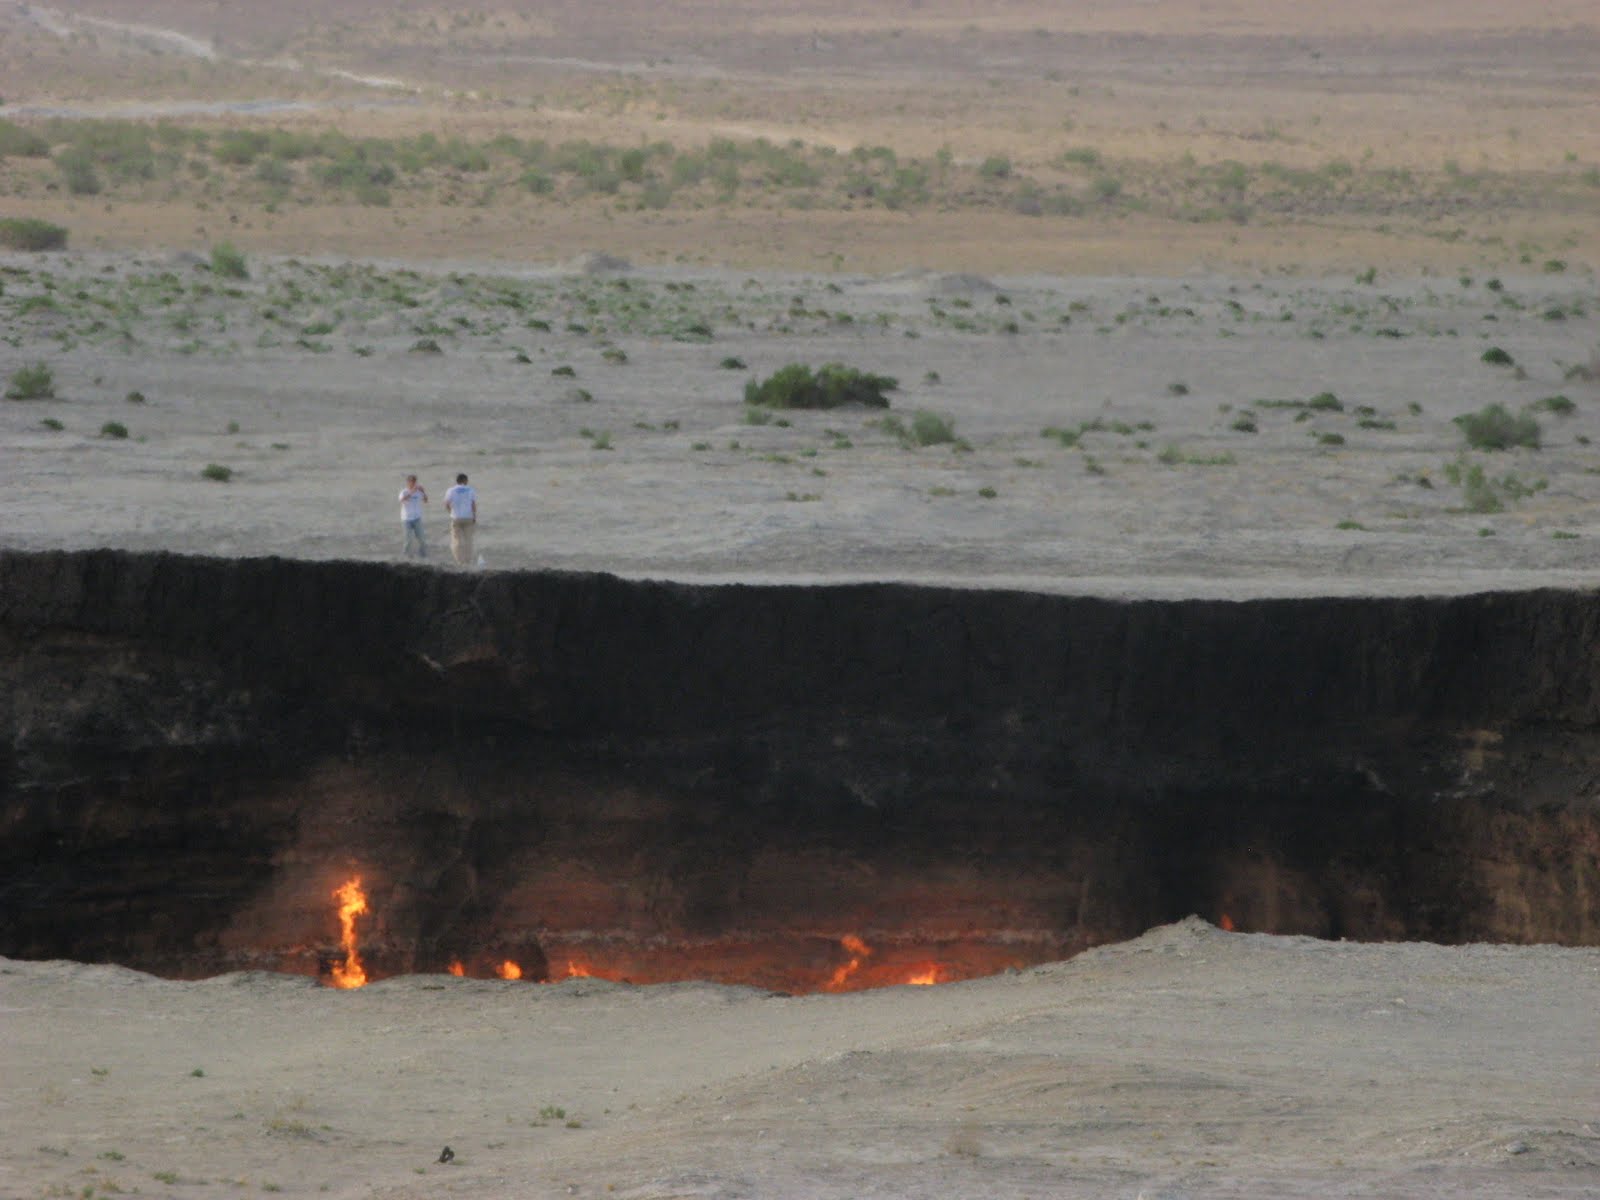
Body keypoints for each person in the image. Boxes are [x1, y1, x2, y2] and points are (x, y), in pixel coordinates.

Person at [444, 473, 478, 567]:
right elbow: (473, 505)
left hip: (456, 517)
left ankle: (460, 561)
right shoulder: (471, 490)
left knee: (457, 540)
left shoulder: (451, 490)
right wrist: (474, 516)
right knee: (468, 540)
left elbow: (446, 503)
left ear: (457, 481)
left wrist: (451, 512)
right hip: (468, 517)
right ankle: (468, 561)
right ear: (465, 481)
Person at [399, 475, 428, 558]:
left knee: (422, 538)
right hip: (406, 519)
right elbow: (402, 500)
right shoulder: (404, 492)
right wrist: (412, 491)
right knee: (408, 540)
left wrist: (423, 492)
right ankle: (406, 555)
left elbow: (426, 500)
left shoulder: (418, 492)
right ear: (408, 482)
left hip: (417, 518)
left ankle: (422, 555)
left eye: (415, 481)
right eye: (412, 481)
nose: (414, 483)